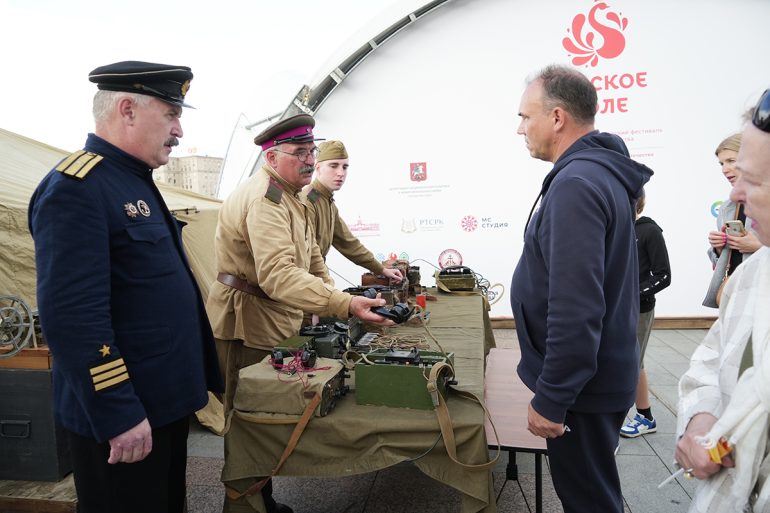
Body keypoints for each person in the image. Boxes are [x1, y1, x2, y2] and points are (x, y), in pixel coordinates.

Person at [28, 61, 223, 513]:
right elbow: (73, 318)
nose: (179, 129)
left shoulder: (131, 180)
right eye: (172, 113)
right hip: (125, 412)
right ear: (128, 109)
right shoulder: (77, 188)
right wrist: (118, 411)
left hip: (160, 403)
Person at [205, 114, 392, 513]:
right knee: (248, 422)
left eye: (311, 151)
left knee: (264, 413)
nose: (310, 160)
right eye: (300, 153)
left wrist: (331, 300)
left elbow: (310, 259)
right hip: (246, 321)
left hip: (271, 315)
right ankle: (244, 506)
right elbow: (278, 274)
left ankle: (262, 499)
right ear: (272, 157)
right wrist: (341, 303)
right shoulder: (265, 200)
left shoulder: (292, 193)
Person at [509, 64, 652, 513]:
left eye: (525, 117)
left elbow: (576, 307)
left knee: (589, 500)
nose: (519, 129)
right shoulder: (596, 175)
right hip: (593, 380)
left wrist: (552, 398)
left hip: (581, 392)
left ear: (556, 118)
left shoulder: (576, 184)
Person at [676, 90, 770, 512]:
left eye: (754, 179)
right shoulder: (755, 272)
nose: (737, 194)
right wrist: (699, 421)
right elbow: (713, 359)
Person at [300, 140, 403, 283]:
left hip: (315, 279)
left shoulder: (327, 201)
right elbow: (309, 253)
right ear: (317, 168)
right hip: (306, 281)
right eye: (333, 166)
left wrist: (381, 269)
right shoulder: (309, 199)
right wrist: (328, 288)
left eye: (345, 167)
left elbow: (348, 242)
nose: (340, 173)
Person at [620, 190, 672, 438]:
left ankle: (645, 417)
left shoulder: (650, 231)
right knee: (622, 361)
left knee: (633, 362)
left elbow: (664, 275)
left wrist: (632, 293)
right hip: (614, 309)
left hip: (639, 309)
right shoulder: (615, 229)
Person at [703, 133, 762, 308]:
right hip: (737, 297)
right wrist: (719, 248)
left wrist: (759, 246)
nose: (724, 169)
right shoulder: (728, 207)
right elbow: (723, 261)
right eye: (721, 163)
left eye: (731, 161)